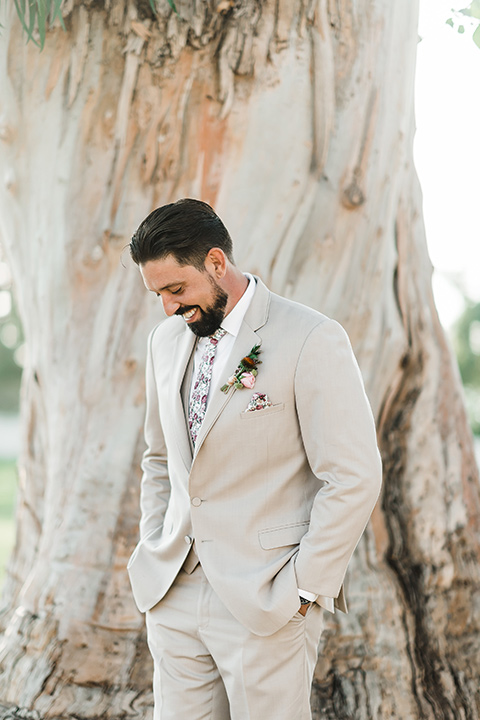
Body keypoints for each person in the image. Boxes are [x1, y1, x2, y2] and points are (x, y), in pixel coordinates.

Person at [127, 198, 382, 720]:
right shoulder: (164, 341)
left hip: (267, 597)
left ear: (217, 263)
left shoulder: (310, 337)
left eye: (177, 289)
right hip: (172, 589)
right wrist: (155, 537)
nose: (169, 308)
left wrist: (304, 587)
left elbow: (354, 477)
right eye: (157, 294)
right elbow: (159, 458)